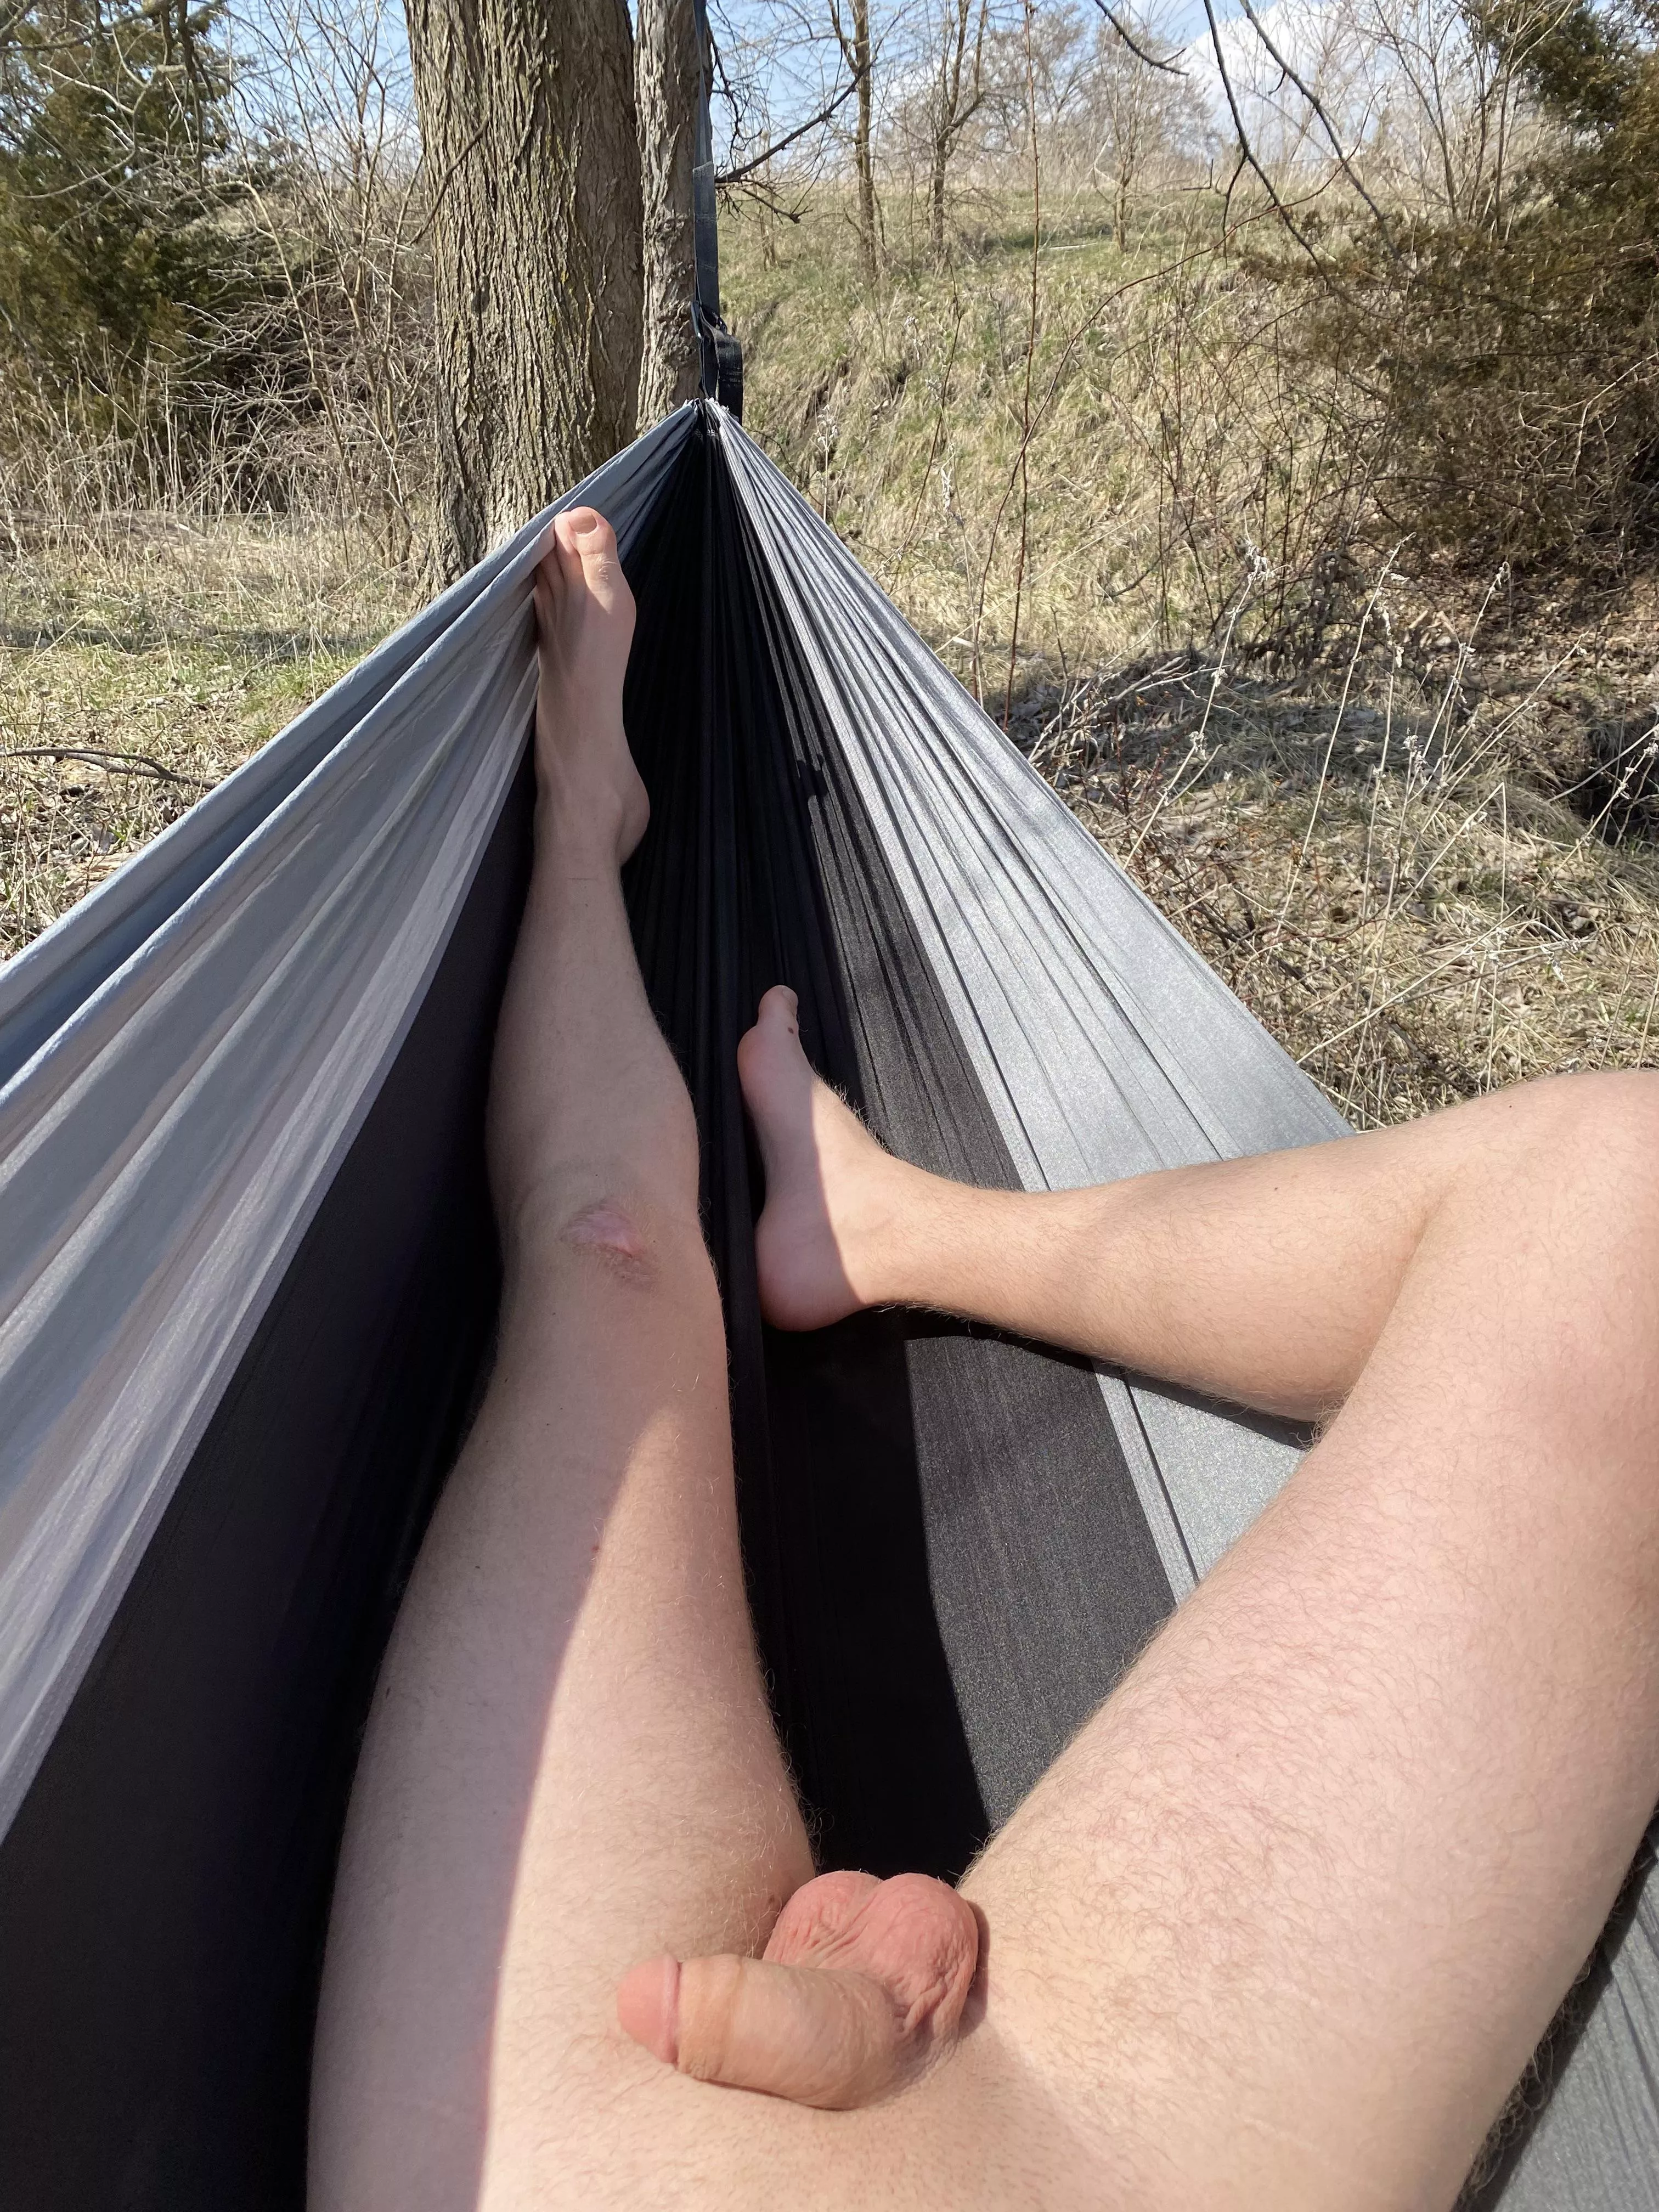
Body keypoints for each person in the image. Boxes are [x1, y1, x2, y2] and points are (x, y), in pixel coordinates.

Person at [308, 507, 1659, 2211]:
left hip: (584, 2153)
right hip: (1106, 2165)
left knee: (606, 1257)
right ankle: (876, 1213)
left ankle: (600, 832)